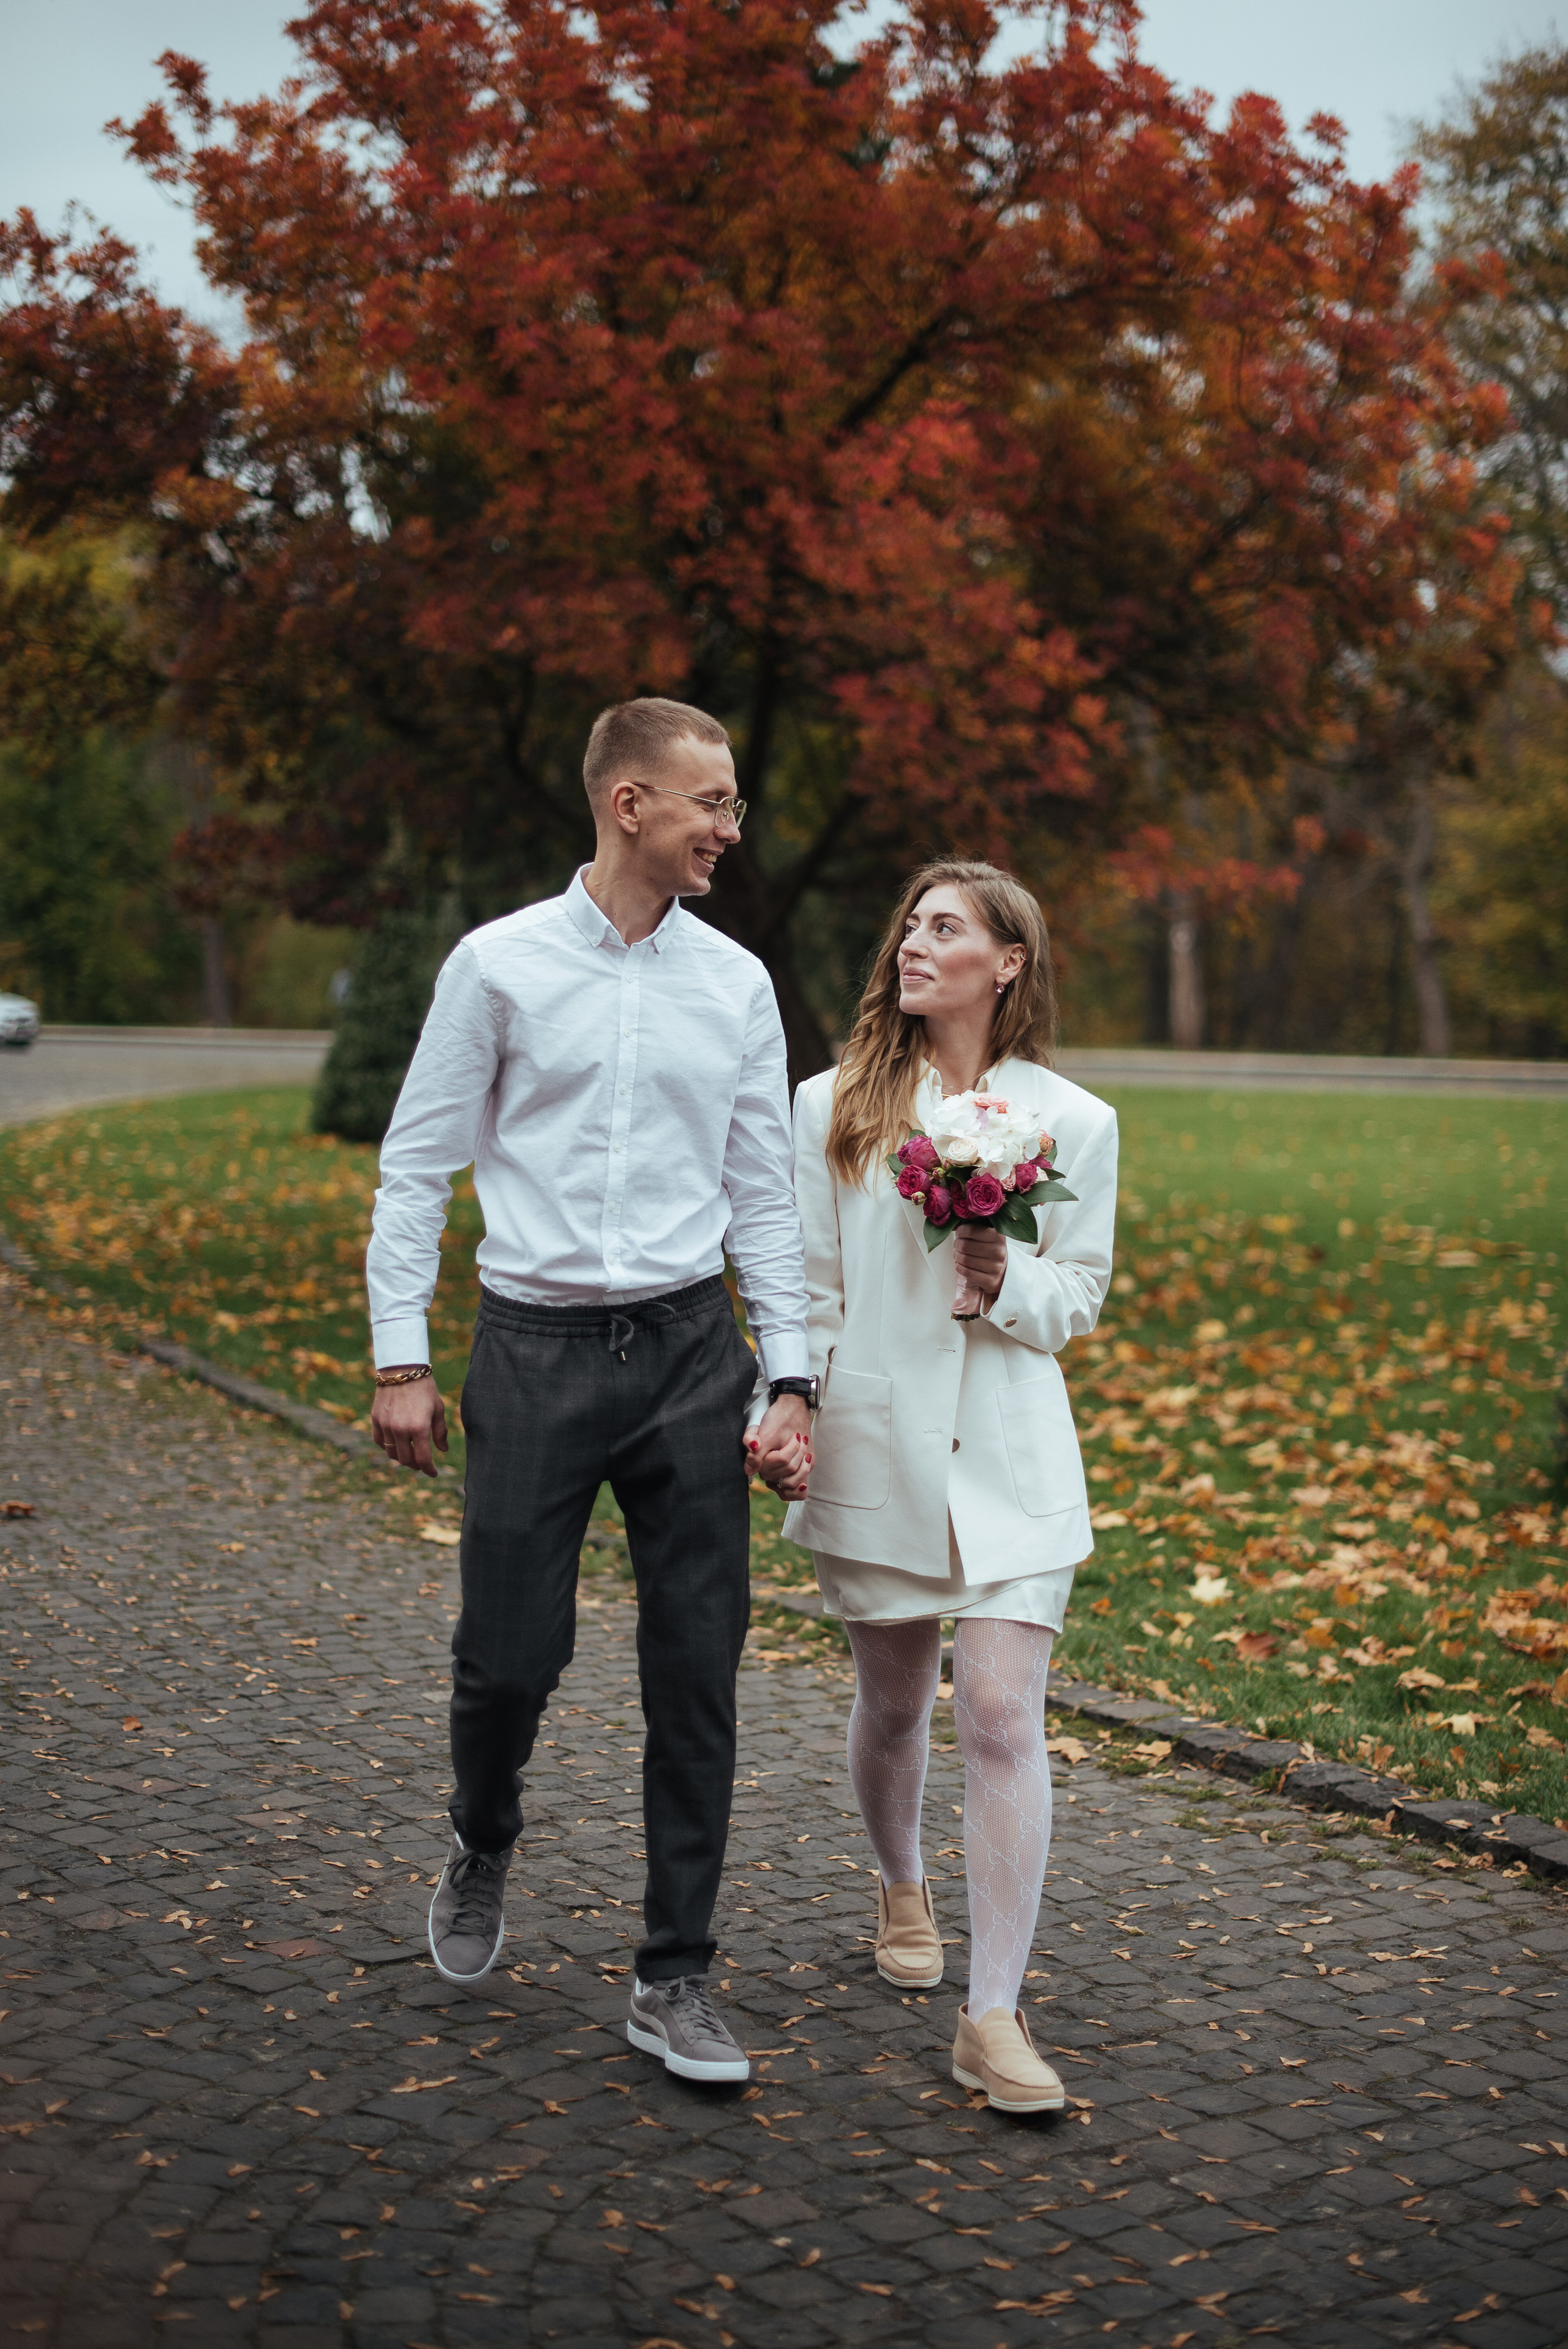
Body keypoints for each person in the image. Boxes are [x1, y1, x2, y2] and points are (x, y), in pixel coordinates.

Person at [366, 697, 813, 2085]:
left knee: (697, 1671)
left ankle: (674, 1974)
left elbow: (763, 1193)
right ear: (632, 804)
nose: (730, 829)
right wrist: (400, 1356)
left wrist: (790, 1376)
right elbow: (416, 1164)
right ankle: (482, 1833)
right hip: (534, 1349)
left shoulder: (735, 984)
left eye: (732, 805)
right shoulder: (496, 966)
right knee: (507, 1660)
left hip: (690, 1355)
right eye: (712, 803)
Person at [764, 860, 1115, 2113]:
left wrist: (1004, 1276)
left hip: (1014, 1455)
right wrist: (789, 1407)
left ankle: (992, 2014)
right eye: (909, 923)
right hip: (880, 1444)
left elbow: (1079, 1294)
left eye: (946, 927)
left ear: (1006, 961)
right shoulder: (833, 1105)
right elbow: (808, 1289)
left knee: (1002, 1715)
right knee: (898, 1700)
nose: (914, 942)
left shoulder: (1075, 1121)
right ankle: (900, 1880)